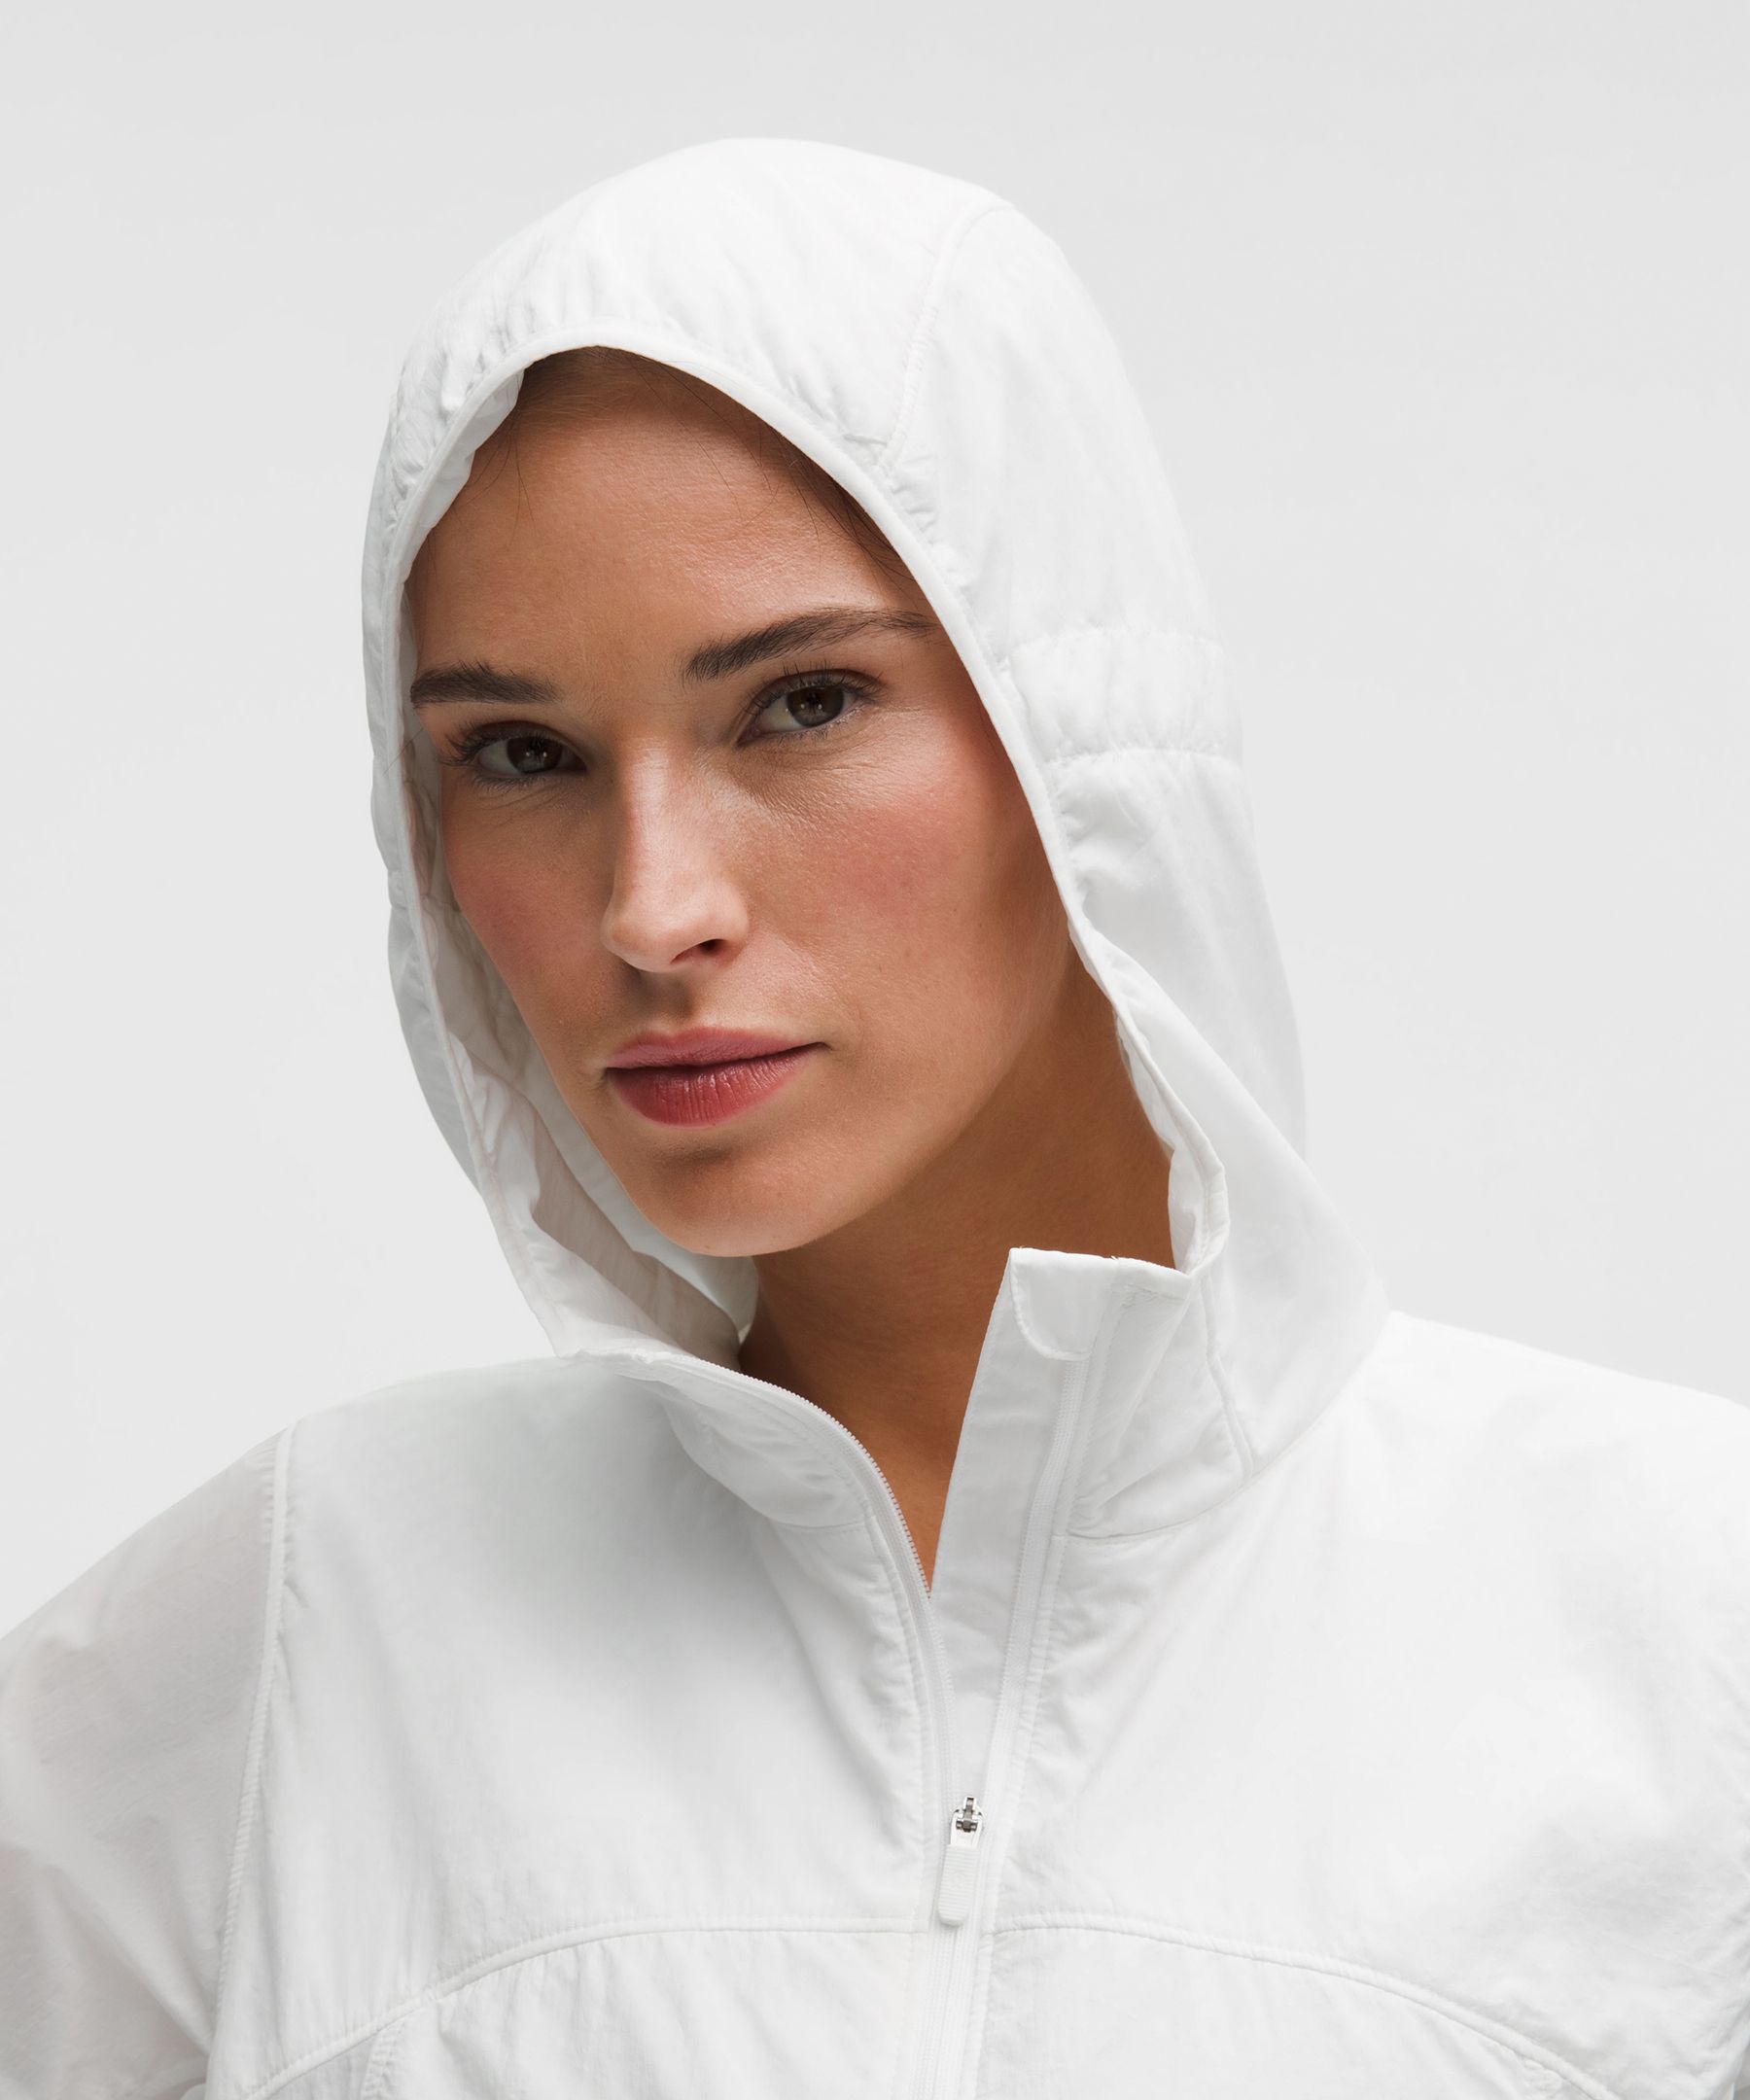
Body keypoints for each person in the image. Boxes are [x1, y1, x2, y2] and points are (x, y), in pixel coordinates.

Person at [1, 135, 1747, 2100]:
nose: (652, 907)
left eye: (803, 704)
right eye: (521, 753)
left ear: (1080, 733)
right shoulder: (311, 1620)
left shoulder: (1686, 1619)